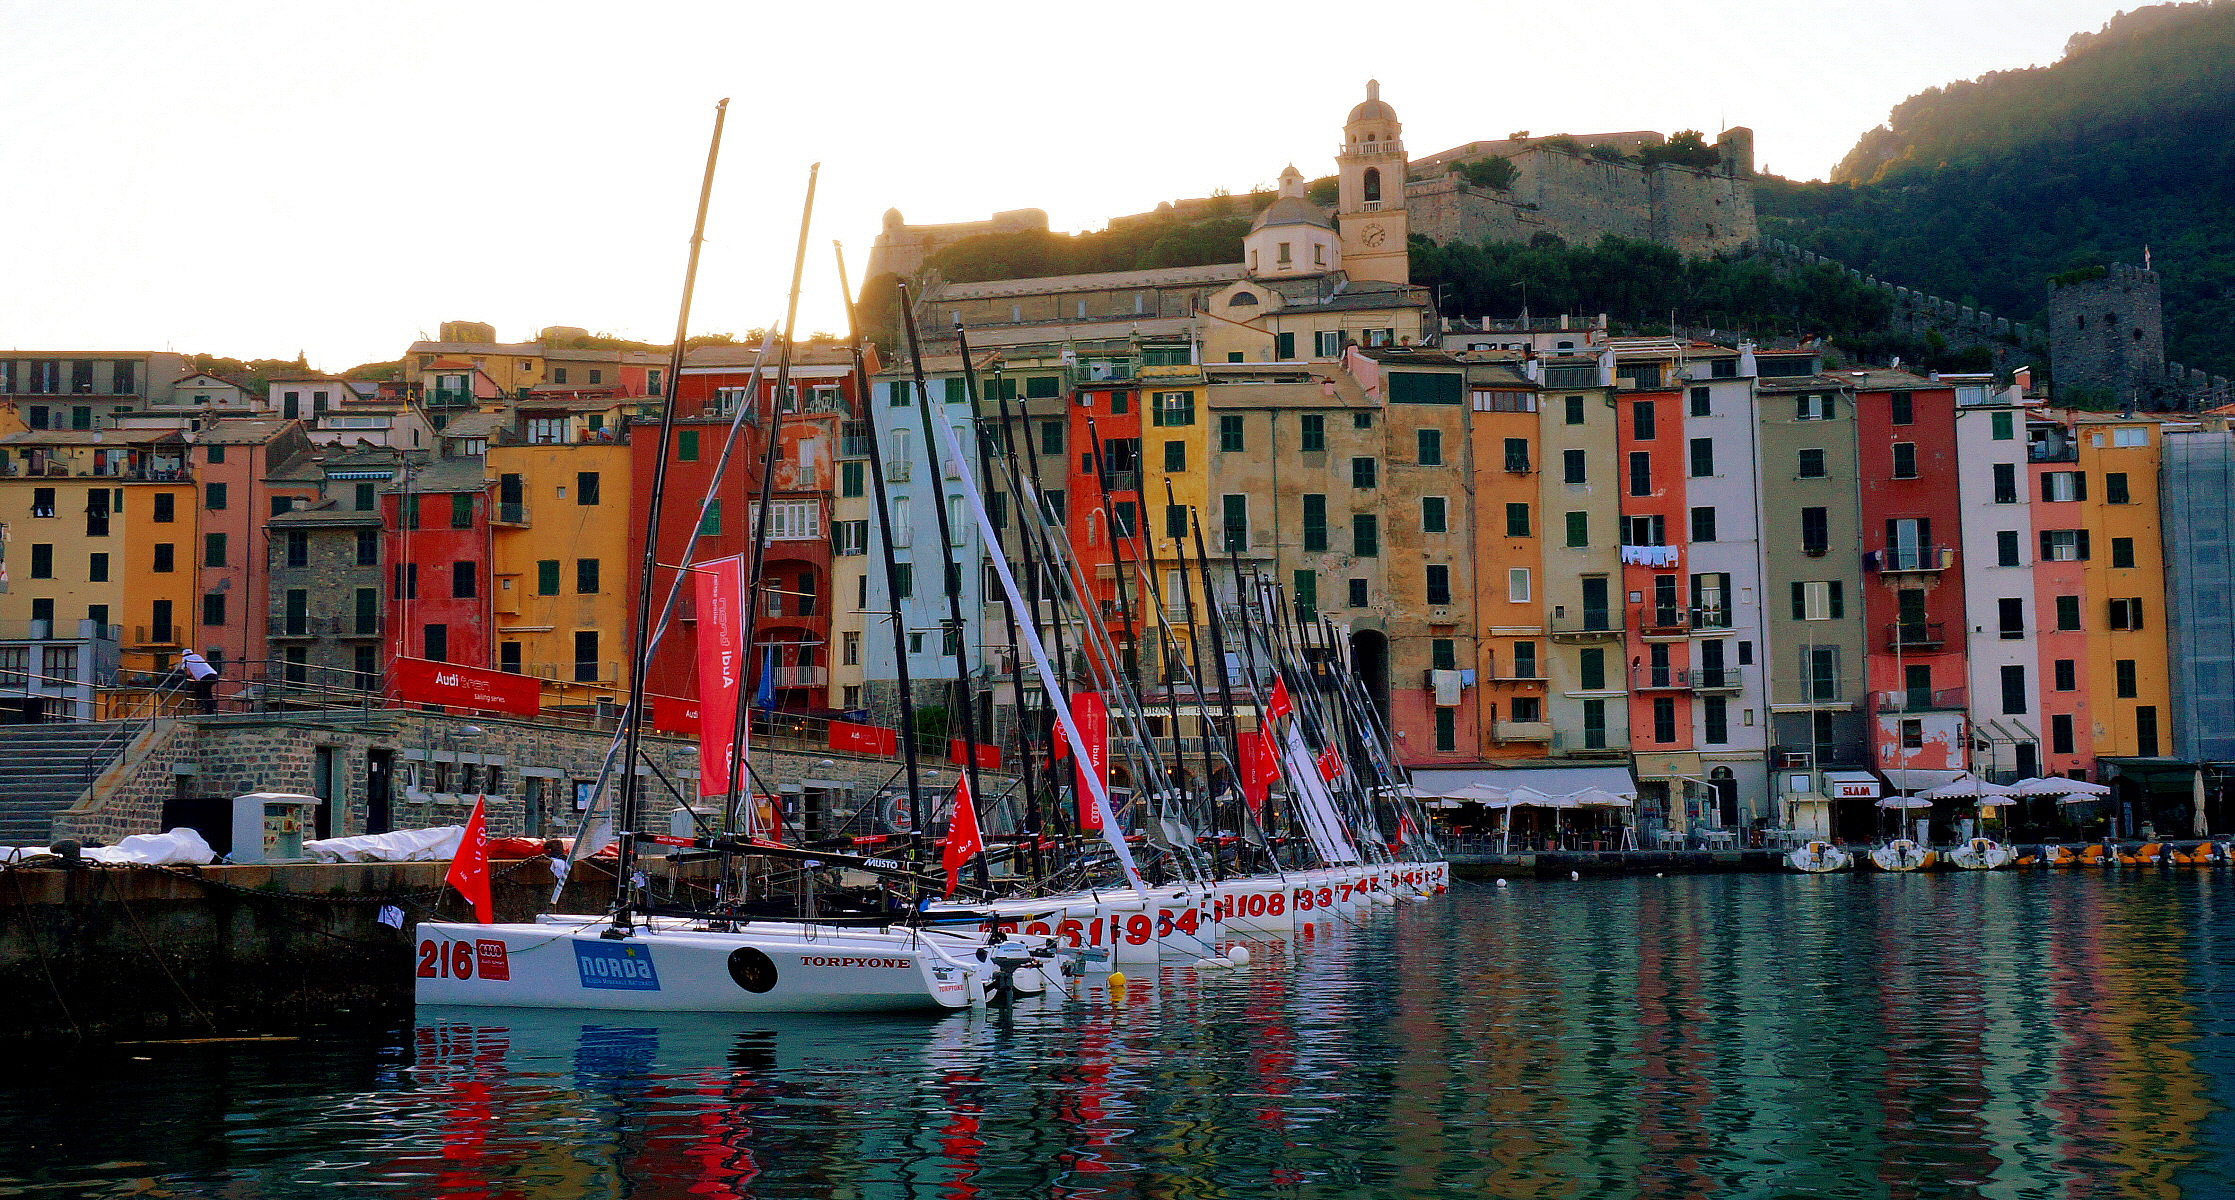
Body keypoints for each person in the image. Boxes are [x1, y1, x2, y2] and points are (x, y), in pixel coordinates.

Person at [180, 648, 218, 714]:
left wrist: (189, 677)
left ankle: (208, 710)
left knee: (206, 694)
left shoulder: (185, 659)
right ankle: (201, 703)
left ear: (183, 655)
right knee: (200, 687)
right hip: (214, 675)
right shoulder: (197, 656)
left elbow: (186, 671)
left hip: (204, 677)